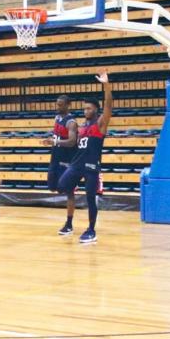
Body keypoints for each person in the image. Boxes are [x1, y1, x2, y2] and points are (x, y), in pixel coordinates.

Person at [57, 70, 113, 244]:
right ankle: (69, 223)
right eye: (84, 108)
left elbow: (109, 107)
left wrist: (106, 85)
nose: (85, 111)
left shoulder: (100, 124)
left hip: (91, 167)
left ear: (95, 109)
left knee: (90, 199)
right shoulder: (82, 126)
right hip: (76, 164)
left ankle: (91, 230)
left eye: (89, 108)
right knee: (62, 185)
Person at [48, 94, 80, 236]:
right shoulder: (57, 118)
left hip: (67, 161)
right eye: (57, 104)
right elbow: (58, 135)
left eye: (61, 104)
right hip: (55, 158)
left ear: (68, 105)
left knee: (69, 192)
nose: (58, 106)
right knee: (52, 186)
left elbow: (72, 141)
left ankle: (69, 223)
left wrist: (55, 142)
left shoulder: (71, 122)